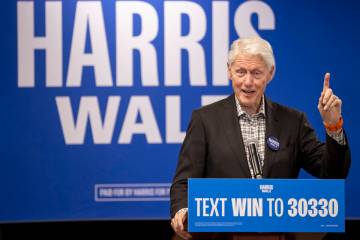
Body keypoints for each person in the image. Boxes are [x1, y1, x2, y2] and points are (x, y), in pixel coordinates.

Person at [169, 37, 351, 240]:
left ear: (270, 73)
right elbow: (183, 182)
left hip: (280, 234)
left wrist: (333, 126)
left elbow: (333, 174)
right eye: (240, 72)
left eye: (256, 73)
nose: (248, 82)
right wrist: (182, 209)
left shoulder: (293, 121)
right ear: (229, 71)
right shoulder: (204, 120)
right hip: (221, 235)